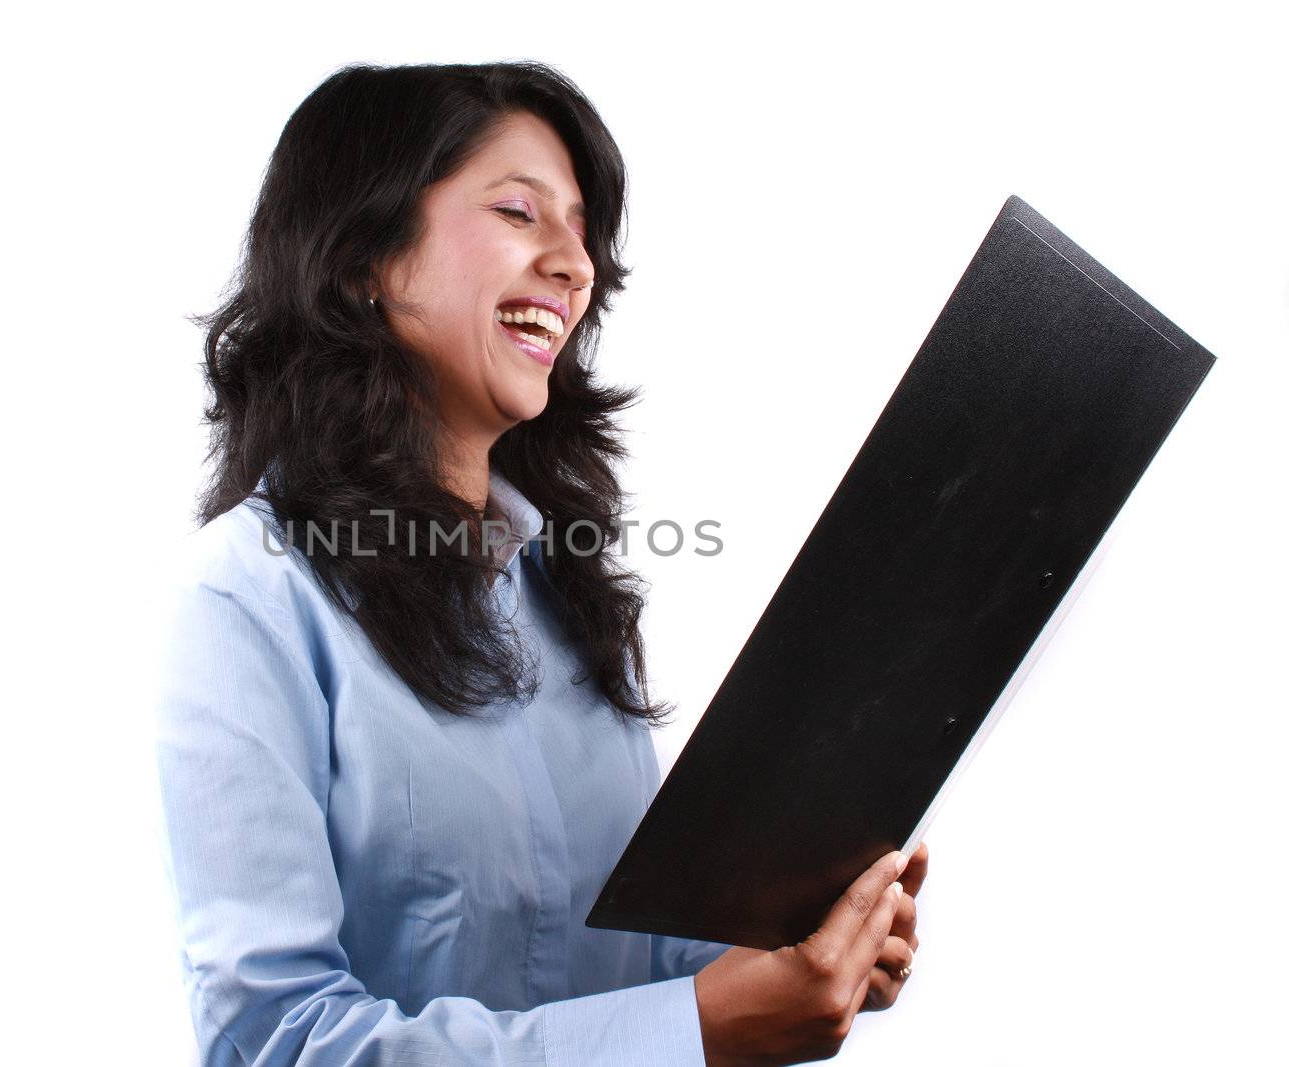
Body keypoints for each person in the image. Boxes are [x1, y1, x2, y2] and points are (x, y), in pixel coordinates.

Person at [154, 60, 928, 1066]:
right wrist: (696, 1027)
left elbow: (623, 966)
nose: (574, 264)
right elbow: (275, 1038)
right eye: (521, 212)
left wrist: (792, 955)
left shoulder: (565, 591)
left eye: (582, 232)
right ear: (362, 262)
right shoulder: (248, 593)